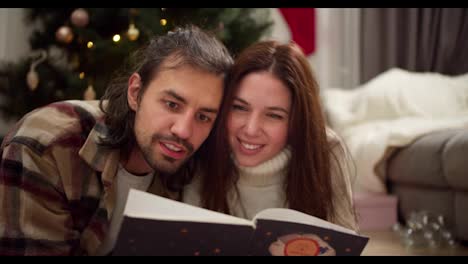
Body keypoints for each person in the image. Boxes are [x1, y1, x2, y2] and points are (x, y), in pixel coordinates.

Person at [0, 25, 233, 256]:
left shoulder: (193, 168)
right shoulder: (48, 146)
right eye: (172, 104)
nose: (183, 131)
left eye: (203, 117)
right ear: (135, 93)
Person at [183, 40, 358, 231]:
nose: (251, 129)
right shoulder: (204, 141)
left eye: (274, 115)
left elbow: (344, 240)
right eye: (239, 108)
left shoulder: (326, 149)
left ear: (297, 121)